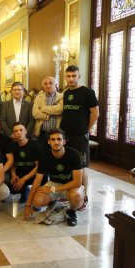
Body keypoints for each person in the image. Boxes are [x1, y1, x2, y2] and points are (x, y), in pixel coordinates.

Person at [24, 128, 84, 226]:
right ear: (49, 142)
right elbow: (37, 181)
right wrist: (28, 205)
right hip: (54, 183)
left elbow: (77, 182)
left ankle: (71, 211)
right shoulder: (45, 156)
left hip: (71, 185)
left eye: (59, 139)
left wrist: (53, 189)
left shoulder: (74, 154)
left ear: (64, 141)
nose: (56, 142)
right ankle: (54, 203)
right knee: (37, 202)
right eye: (53, 139)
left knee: (76, 197)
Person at [60, 65, 99, 210]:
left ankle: (85, 196)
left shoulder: (88, 92)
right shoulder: (65, 93)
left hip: (79, 136)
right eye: (68, 76)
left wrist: (86, 130)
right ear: (65, 77)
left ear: (78, 76)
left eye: (73, 76)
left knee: (81, 168)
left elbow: (95, 114)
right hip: (65, 136)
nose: (71, 79)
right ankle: (72, 192)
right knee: (70, 166)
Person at [10, 123, 41, 203]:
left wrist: (24, 179)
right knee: (13, 189)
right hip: (21, 173)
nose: (19, 133)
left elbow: (38, 166)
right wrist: (13, 175)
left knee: (37, 204)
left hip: (34, 174)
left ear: (26, 131)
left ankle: (31, 189)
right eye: (16, 131)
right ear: (13, 134)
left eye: (21, 130)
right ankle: (26, 190)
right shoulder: (12, 146)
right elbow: (12, 163)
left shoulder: (35, 144)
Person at [32, 76, 63, 150]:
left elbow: (60, 110)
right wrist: (50, 113)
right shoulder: (39, 97)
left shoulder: (62, 97)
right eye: (45, 84)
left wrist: (43, 108)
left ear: (55, 85)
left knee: (56, 155)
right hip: (42, 133)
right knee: (42, 156)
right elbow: (35, 113)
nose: (48, 85)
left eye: (50, 83)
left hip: (57, 133)